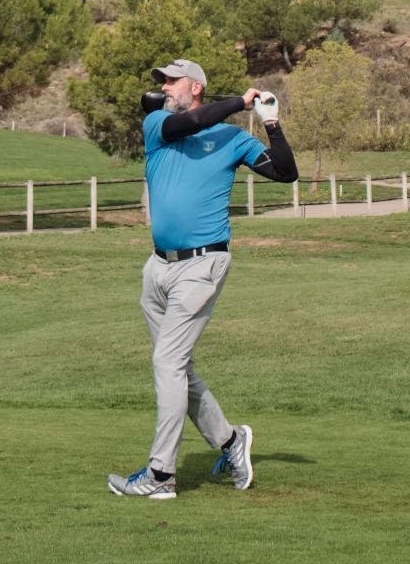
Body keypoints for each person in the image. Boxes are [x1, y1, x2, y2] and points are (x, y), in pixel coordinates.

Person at [107, 58, 297, 501]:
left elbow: (286, 172)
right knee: (177, 368)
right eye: (162, 82)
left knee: (166, 364)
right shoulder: (158, 124)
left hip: (202, 265)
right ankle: (232, 441)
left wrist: (271, 124)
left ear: (194, 86)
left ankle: (160, 476)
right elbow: (190, 122)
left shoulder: (232, 138)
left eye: (171, 81)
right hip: (158, 269)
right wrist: (238, 101)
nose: (163, 87)